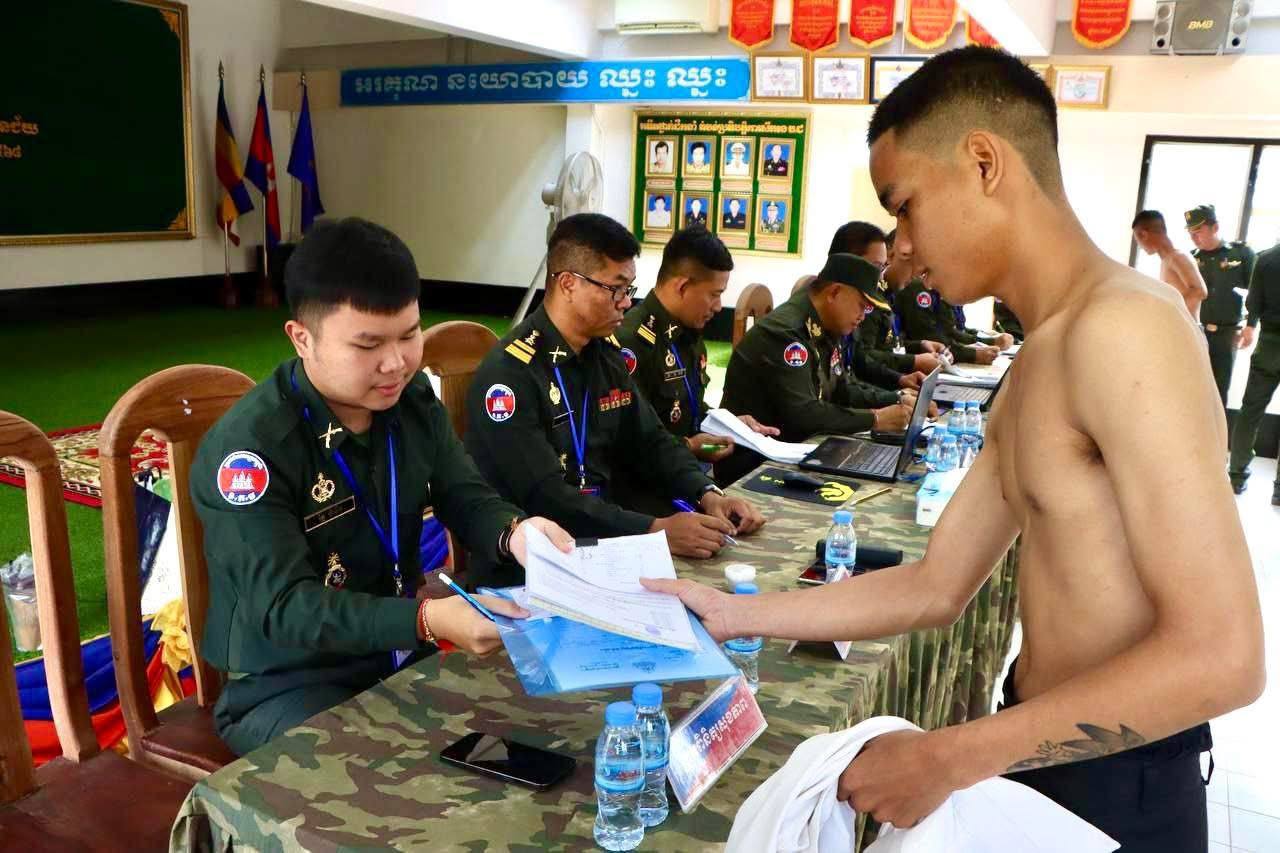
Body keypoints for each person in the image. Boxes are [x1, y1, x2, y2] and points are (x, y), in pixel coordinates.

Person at [647, 47, 1263, 852]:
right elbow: (939, 581)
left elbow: (1224, 655)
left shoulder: (1128, 327)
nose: (901, 246)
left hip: (1121, 777)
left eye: (905, 207)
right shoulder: (1043, 355)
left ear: (983, 163)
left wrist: (949, 756)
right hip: (1044, 742)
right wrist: (739, 614)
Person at [190, 218, 575, 756]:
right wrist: (425, 619)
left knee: (541, 731)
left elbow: (464, 493)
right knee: (396, 780)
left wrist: (515, 533)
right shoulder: (251, 452)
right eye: (368, 344)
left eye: (409, 334)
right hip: (288, 683)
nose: (396, 363)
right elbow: (285, 608)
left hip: (396, 654)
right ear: (302, 338)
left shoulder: (410, 401)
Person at [464, 213, 765, 587]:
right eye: (616, 289)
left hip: (607, 545)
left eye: (629, 289)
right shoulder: (510, 375)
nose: (626, 303)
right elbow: (546, 497)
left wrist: (707, 493)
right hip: (532, 569)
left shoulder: (603, 354)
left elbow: (651, 441)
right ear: (569, 284)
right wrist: (653, 530)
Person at [615, 227, 781, 499]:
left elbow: (686, 407)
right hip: (649, 488)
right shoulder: (631, 342)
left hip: (690, 473)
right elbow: (628, 440)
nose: (718, 307)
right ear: (682, 287)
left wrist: (729, 424)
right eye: (714, 294)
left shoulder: (687, 333)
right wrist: (690, 446)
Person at [722, 253, 916, 444]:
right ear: (834, 293)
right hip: (756, 455)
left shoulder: (827, 323)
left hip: (795, 444)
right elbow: (804, 415)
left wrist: (897, 398)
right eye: (861, 306)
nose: (863, 316)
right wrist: (875, 419)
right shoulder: (787, 333)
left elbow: (842, 390)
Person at [830, 221, 942, 378]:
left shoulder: (885, 294)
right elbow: (861, 358)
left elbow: (886, 345)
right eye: (876, 267)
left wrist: (918, 348)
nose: (918, 273)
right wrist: (912, 363)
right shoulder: (857, 301)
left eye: (882, 267)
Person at [1186, 204, 1258, 407]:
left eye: (1198, 231)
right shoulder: (1191, 258)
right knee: (1192, 387)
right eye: (1190, 233)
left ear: (1215, 227)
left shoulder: (1241, 254)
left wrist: (1251, 325)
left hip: (1226, 334)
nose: (1194, 238)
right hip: (1196, 332)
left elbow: (1256, 291)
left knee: (1219, 391)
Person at [1228, 240, 1280, 502]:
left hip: (1269, 343)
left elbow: (1253, 302)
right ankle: (1279, 490)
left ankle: (1236, 475)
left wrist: (1251, 325)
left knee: (1250, 411)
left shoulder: (1266, 258)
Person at [1132, 209, 1208, 320]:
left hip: (1187, 328)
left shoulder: (1178, 257)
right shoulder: (1166, 261)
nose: (1139, 246)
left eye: (1138, 239)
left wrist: (1166, 309)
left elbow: (1199, 291)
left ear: (1144, 234)